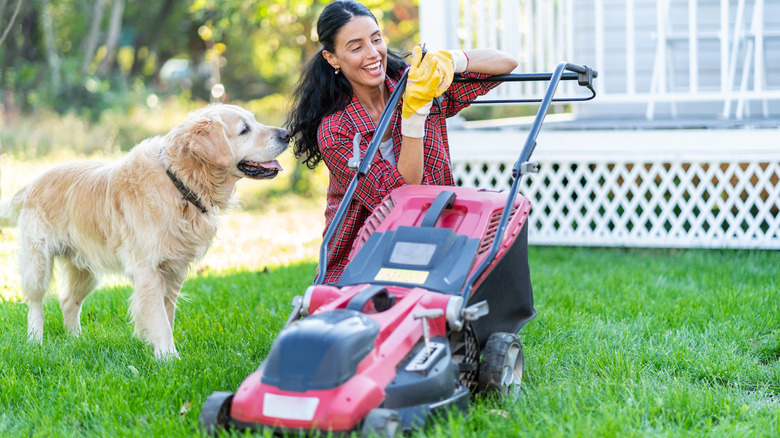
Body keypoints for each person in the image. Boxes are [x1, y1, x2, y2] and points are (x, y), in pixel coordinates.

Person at [286, 0, 518, 284]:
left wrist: (451, 60)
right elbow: (404, 201)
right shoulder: (336, 131)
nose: (373, 54)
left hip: (439, 236)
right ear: (332, 58)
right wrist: (413, 117)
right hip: (364, 257)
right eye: (357, 47)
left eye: (376, 39)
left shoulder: (416, 82)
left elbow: (505, 63)